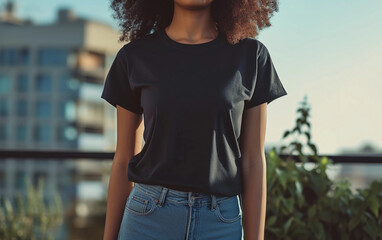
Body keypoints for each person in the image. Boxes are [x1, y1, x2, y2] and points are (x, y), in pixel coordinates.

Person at [101, 0, 287, 239]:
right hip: (147, 220)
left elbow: (253, 161)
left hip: (220, 223)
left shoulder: (251, 56)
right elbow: (123, 159)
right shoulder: (135, 56)